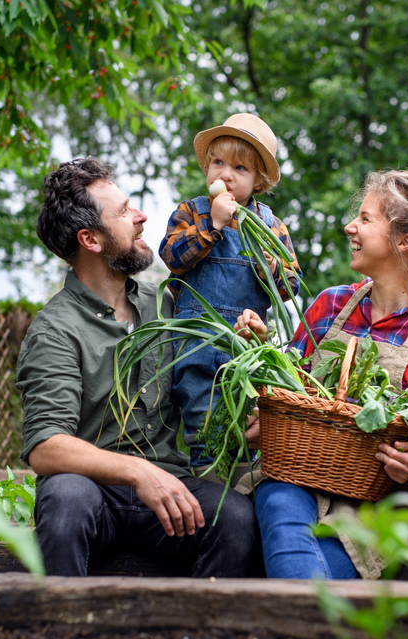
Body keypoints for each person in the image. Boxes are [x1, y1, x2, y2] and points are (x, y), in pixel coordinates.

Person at [17, 156, 261, 577]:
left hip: (168, 495)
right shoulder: (54, 330)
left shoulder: (166, 306)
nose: (142, 216)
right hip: (98, 493)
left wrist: (246, 354)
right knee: (66, 497)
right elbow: (45, 447)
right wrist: (137, 472)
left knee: (236, 517)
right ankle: (59, 634)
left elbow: (205, 386)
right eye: (125, 211)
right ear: (91, 240)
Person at [239, 168, 408, 580]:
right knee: (281, 508)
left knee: (309, 569)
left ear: (403, 241)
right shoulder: (329, 306)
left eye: (365, 219)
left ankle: (298, 631)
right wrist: (263, 360)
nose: (349, 226)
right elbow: (290, 389)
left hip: (381, 501)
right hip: (300, 474)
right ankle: (310, 632)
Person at [159, 113, 301, 467]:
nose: (225, 174)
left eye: (239, 168)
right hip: (197, 344)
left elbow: (291, 286)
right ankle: (208, 480)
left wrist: (271, 268)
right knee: (203, 427)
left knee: (246, 425)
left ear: (258, 182)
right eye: (218, 163)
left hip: (246, 347)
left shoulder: (272, 226)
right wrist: (213, 224)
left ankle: (242, 482)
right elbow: (171, 257)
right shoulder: (191, 212)